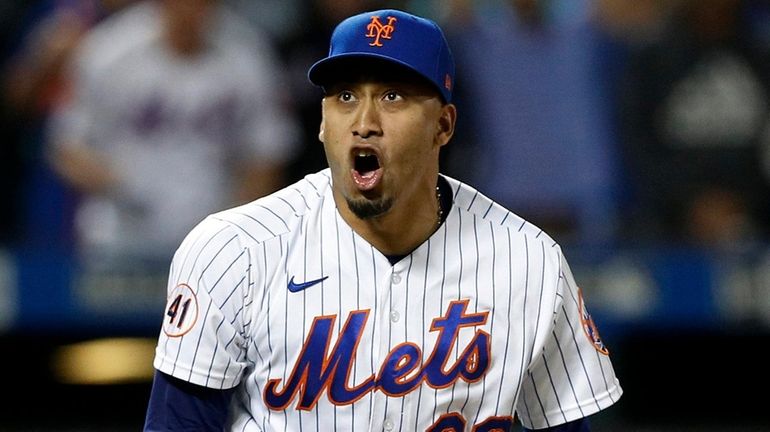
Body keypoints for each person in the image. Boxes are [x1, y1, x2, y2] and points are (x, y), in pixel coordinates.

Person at [143, 9, 623, 431]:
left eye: (393, 96)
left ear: (444, 126)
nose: (364, 120)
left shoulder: (529, 262)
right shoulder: (234, 250)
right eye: (345, 96)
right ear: (322, 121)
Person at [47, 0, 298, 269]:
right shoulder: (108, 50)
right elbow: (67, 148)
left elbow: (268, 153)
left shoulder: (249, 55)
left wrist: (239, 230)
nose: (190, 9)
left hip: (214, 247)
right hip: (121, 241)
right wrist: (123, 185)